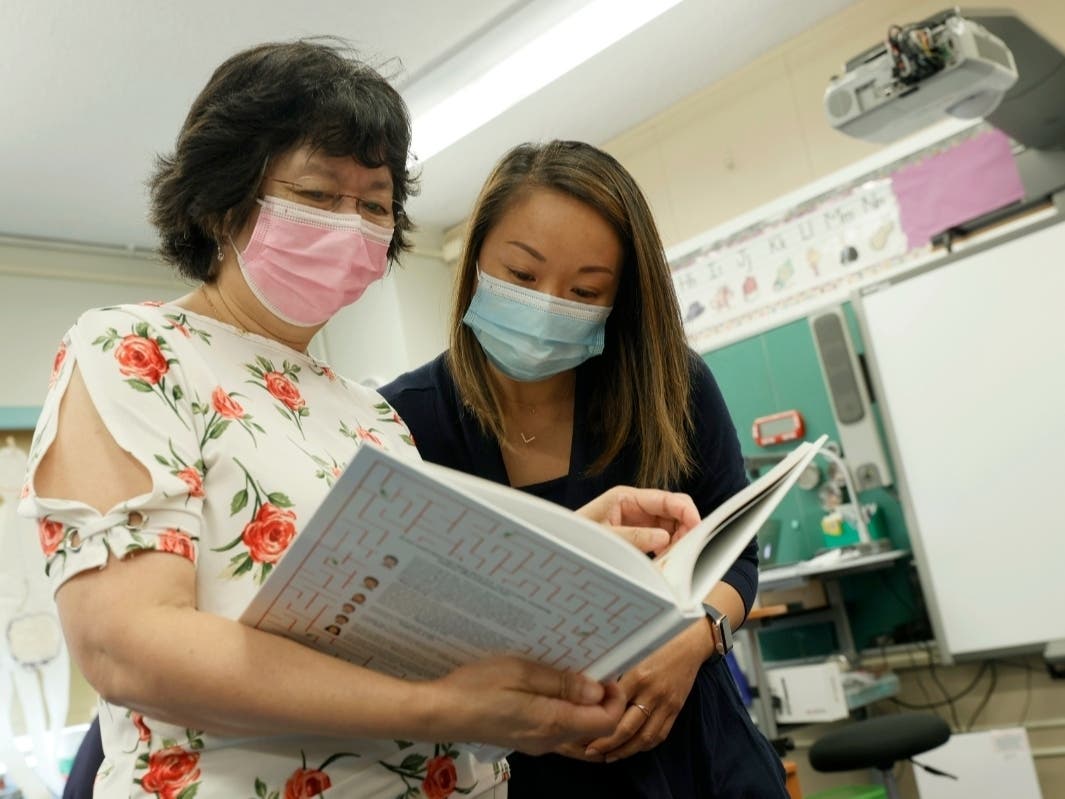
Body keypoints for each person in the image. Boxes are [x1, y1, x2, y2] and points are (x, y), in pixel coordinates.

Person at [25, 45, 704, 799]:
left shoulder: (369, 412)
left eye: (374, 205)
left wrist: (570, 549)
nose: (350, 225)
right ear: (221, 201)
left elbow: (397, 622)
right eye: (317, 194)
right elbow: (130, 648)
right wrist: (437, 707)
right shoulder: (135, 352)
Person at [380, 140, 789, 798]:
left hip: (695, 755)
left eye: (584, 290)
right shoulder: (402, 422)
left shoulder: (668, 386)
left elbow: (735, 554)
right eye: (521, 275)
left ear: (619, 297)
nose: (547, 305)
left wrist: (693, 638)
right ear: (475, 260)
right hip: (521, 772)